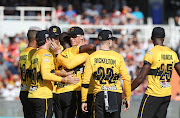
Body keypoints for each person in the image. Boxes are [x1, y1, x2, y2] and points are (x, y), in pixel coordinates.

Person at [28, 30, 79, 118]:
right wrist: (64, 79)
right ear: (47, 40)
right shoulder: (46, 55)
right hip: (43, 95)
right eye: (50, 39)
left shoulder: (35, 54)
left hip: (33, 94)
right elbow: (46, 75)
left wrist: (59, 73)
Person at [131, 27, 180, 118]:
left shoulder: (151, 53)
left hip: (154, 94)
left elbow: (141, 77)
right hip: (166, 94)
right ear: (164, 38)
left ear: (152, 38)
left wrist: (127, 91)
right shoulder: (172, 53)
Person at [81, 30, 131, 118]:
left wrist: (83, 100)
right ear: (109, 41)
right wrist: (127, 97)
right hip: (115, 93)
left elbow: (85, 80)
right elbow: (126, 79)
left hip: (100, 93)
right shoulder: (117, 56)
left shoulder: (92, 57)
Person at [52, 26, 95, 118]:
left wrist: (58, 55)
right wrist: (60, 73)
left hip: (80, 90)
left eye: (74, 36)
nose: (71, 39)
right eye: (70, 37)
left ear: (82, 36)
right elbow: (53, 71)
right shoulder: (66, 52)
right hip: (73, 90)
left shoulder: (78, 51)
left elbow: (91, 47)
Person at [19, 26, 41, 118]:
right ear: (36, 39)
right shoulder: (35, 53)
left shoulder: (23, 52)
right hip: (32, 91)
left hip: (23, 90)